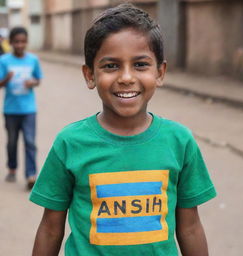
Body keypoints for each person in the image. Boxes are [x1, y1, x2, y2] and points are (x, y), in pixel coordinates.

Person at [30, 3, 216, 256]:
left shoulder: (179, 141)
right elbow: (51, 229)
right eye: (111, 66)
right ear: (89, 75)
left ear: (160, 73)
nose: (126, 77)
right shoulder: (70, 142)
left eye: (140, 64)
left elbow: (190, 228)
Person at [0, 27, 43, 189]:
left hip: (29, 109)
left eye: (23, 41)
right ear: (10, 43)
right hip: (10, 110)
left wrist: (33, 82)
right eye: (16, 42)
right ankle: (12, 168)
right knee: (12, 142)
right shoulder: (4, 60)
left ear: (26, 42)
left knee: (30, 142)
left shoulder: (33, 60)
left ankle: (31, 175)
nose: (19, 45)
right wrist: (6, 78)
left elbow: (38, 79)